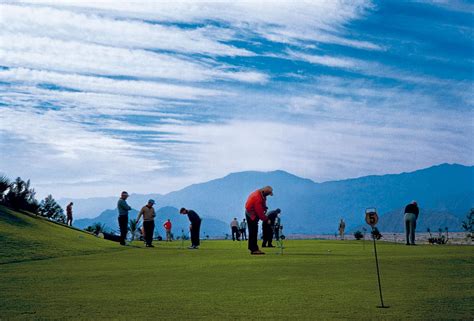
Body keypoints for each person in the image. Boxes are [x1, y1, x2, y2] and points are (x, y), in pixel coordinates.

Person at [245, 186, 273, 255]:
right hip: (251, 214)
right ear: (264, 192)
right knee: (253, 232)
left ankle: (252, 248)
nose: (268, 196)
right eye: (268, 194)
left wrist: (265, 207)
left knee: (253, 231)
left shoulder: (261, 194)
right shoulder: (257, 198)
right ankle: (254, 249)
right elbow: (259, 212)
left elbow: (263, 202)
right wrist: (266, 219)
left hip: (252, 212)